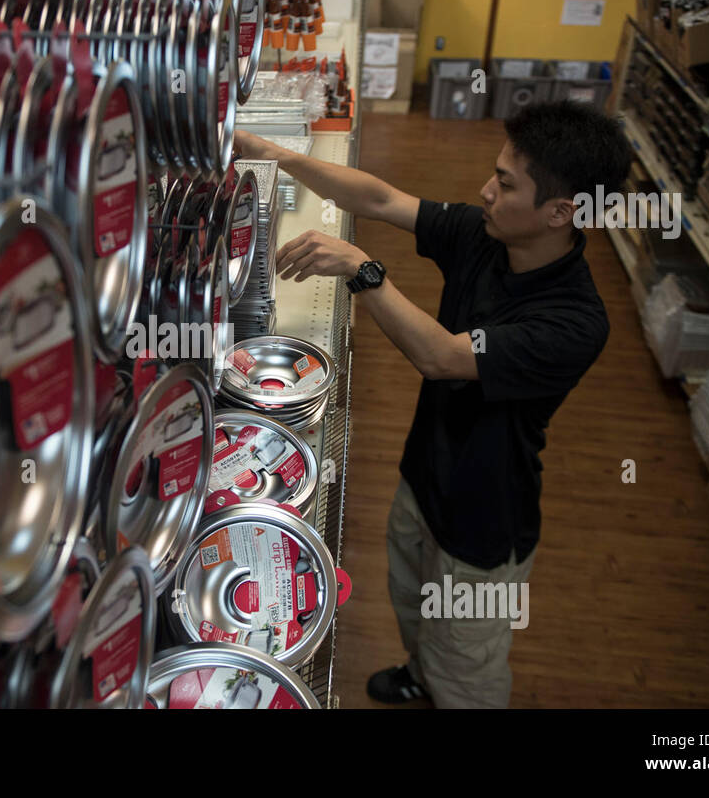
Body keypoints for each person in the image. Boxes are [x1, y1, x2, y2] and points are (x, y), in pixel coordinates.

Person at [232, 101, 631, 708]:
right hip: (426, 478)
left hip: (483, 524)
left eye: (506, 182)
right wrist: (278, 155)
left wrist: (364, 272)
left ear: (561, 212)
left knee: (467, 666)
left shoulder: (574, 321)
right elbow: (383, 200)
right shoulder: (487, 237)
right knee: (414, 603)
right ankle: (422, 674)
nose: (486, 190)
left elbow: (444, 358)